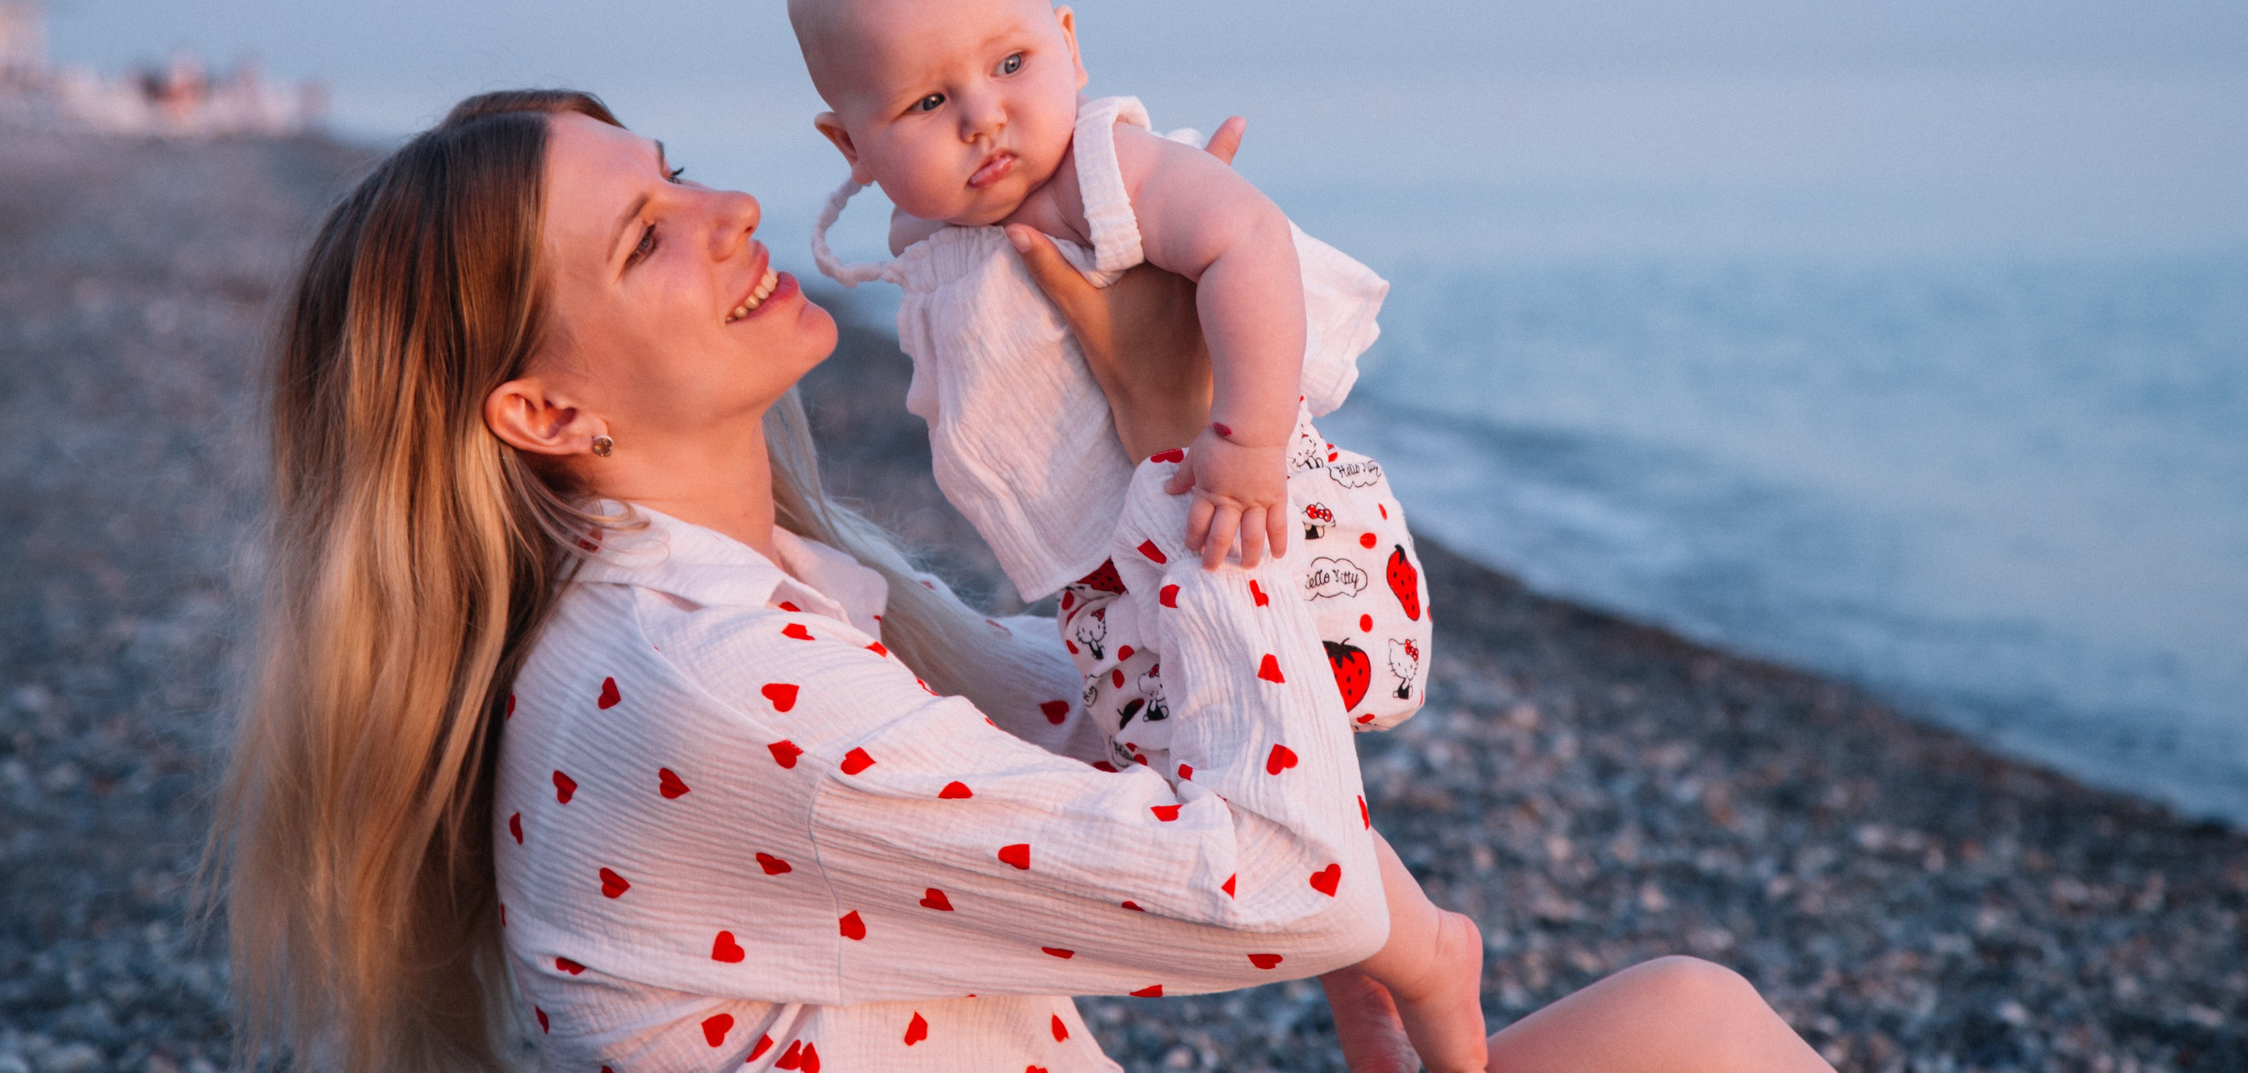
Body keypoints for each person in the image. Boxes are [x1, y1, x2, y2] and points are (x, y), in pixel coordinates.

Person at [216, 87, 1832, 1073]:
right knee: (1687, 1026)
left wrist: (1212, 412)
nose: (727, 210)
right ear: (545, 411)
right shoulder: (689, 674)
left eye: (681, 168)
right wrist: (1167, 426)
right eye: (646, 232)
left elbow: (1209, 717)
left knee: (1684, 1025)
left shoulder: (768, 588)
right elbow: (1285, 870)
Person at [790, 0, 1475, 1064]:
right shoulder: (932, 234)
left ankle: (1423, 961)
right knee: (1221, 767)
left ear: (1066, 43)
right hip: (1132, 578)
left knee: (1259, 758)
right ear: (848, 142)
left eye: (1009, 64)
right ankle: (1375, 962)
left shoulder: (1109, 173)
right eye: (924, 100)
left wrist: (1247, 442)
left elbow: (1245, 244)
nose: (983, 119)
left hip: (1256, 524)